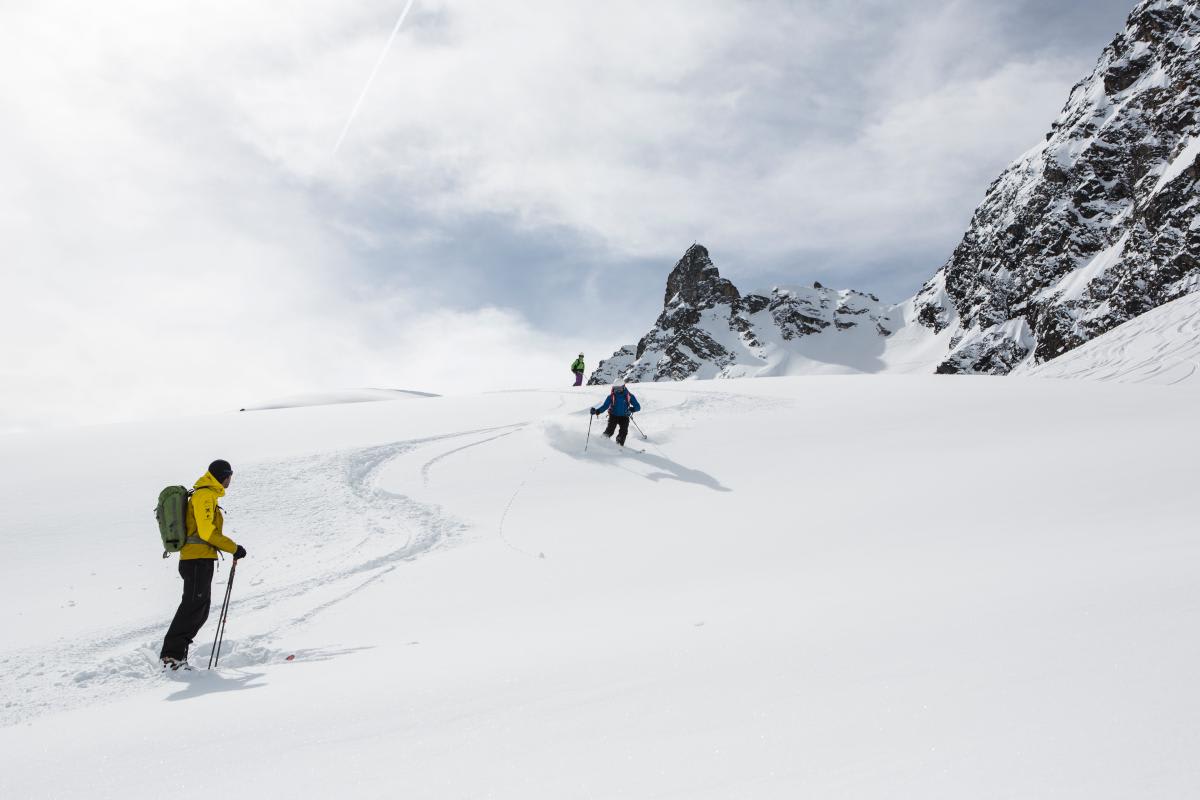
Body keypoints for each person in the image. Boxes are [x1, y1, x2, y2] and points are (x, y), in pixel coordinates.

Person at [159, 459, 247, 670]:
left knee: (200, 610)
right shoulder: (204, 496)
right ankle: (171, 657)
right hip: (196, 560)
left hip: (201, 559)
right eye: (229, 475)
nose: (230, 480)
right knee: (193, 607)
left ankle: (178, 657)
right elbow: (207, 532)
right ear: (223, 476)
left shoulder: (208, 495)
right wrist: (233, 548)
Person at [590, 379, 641, 446]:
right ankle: (602, 441)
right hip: (613, 415)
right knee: (610, 430)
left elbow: (638, 407)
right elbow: (605, 406)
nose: (617, 390)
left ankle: (619, 445)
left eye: (619, 388)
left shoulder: (629, 396)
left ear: (623, 387)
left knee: (623, 431)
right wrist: (597, 411)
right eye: (616, 388)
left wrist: (631, 410)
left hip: (624, 416)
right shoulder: (611, 396)